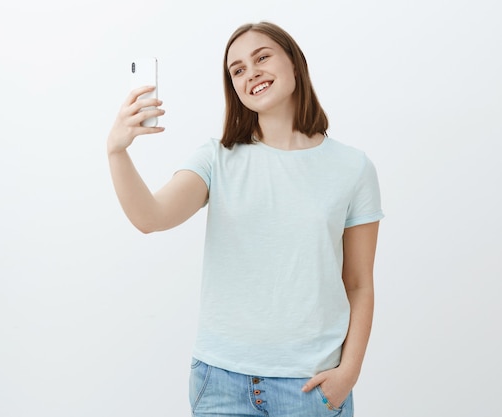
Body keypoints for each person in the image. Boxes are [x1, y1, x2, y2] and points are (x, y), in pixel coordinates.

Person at [107, 21, 383, 417]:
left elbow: (358, 283)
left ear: (295, 63)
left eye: (262, 57)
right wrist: (117, 152)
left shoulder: (352, 168)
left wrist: (349, 372)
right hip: (220, 382)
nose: (250, 72)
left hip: (311, 384)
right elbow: (150, 217)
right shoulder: (217, 157)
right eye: (236, 69)